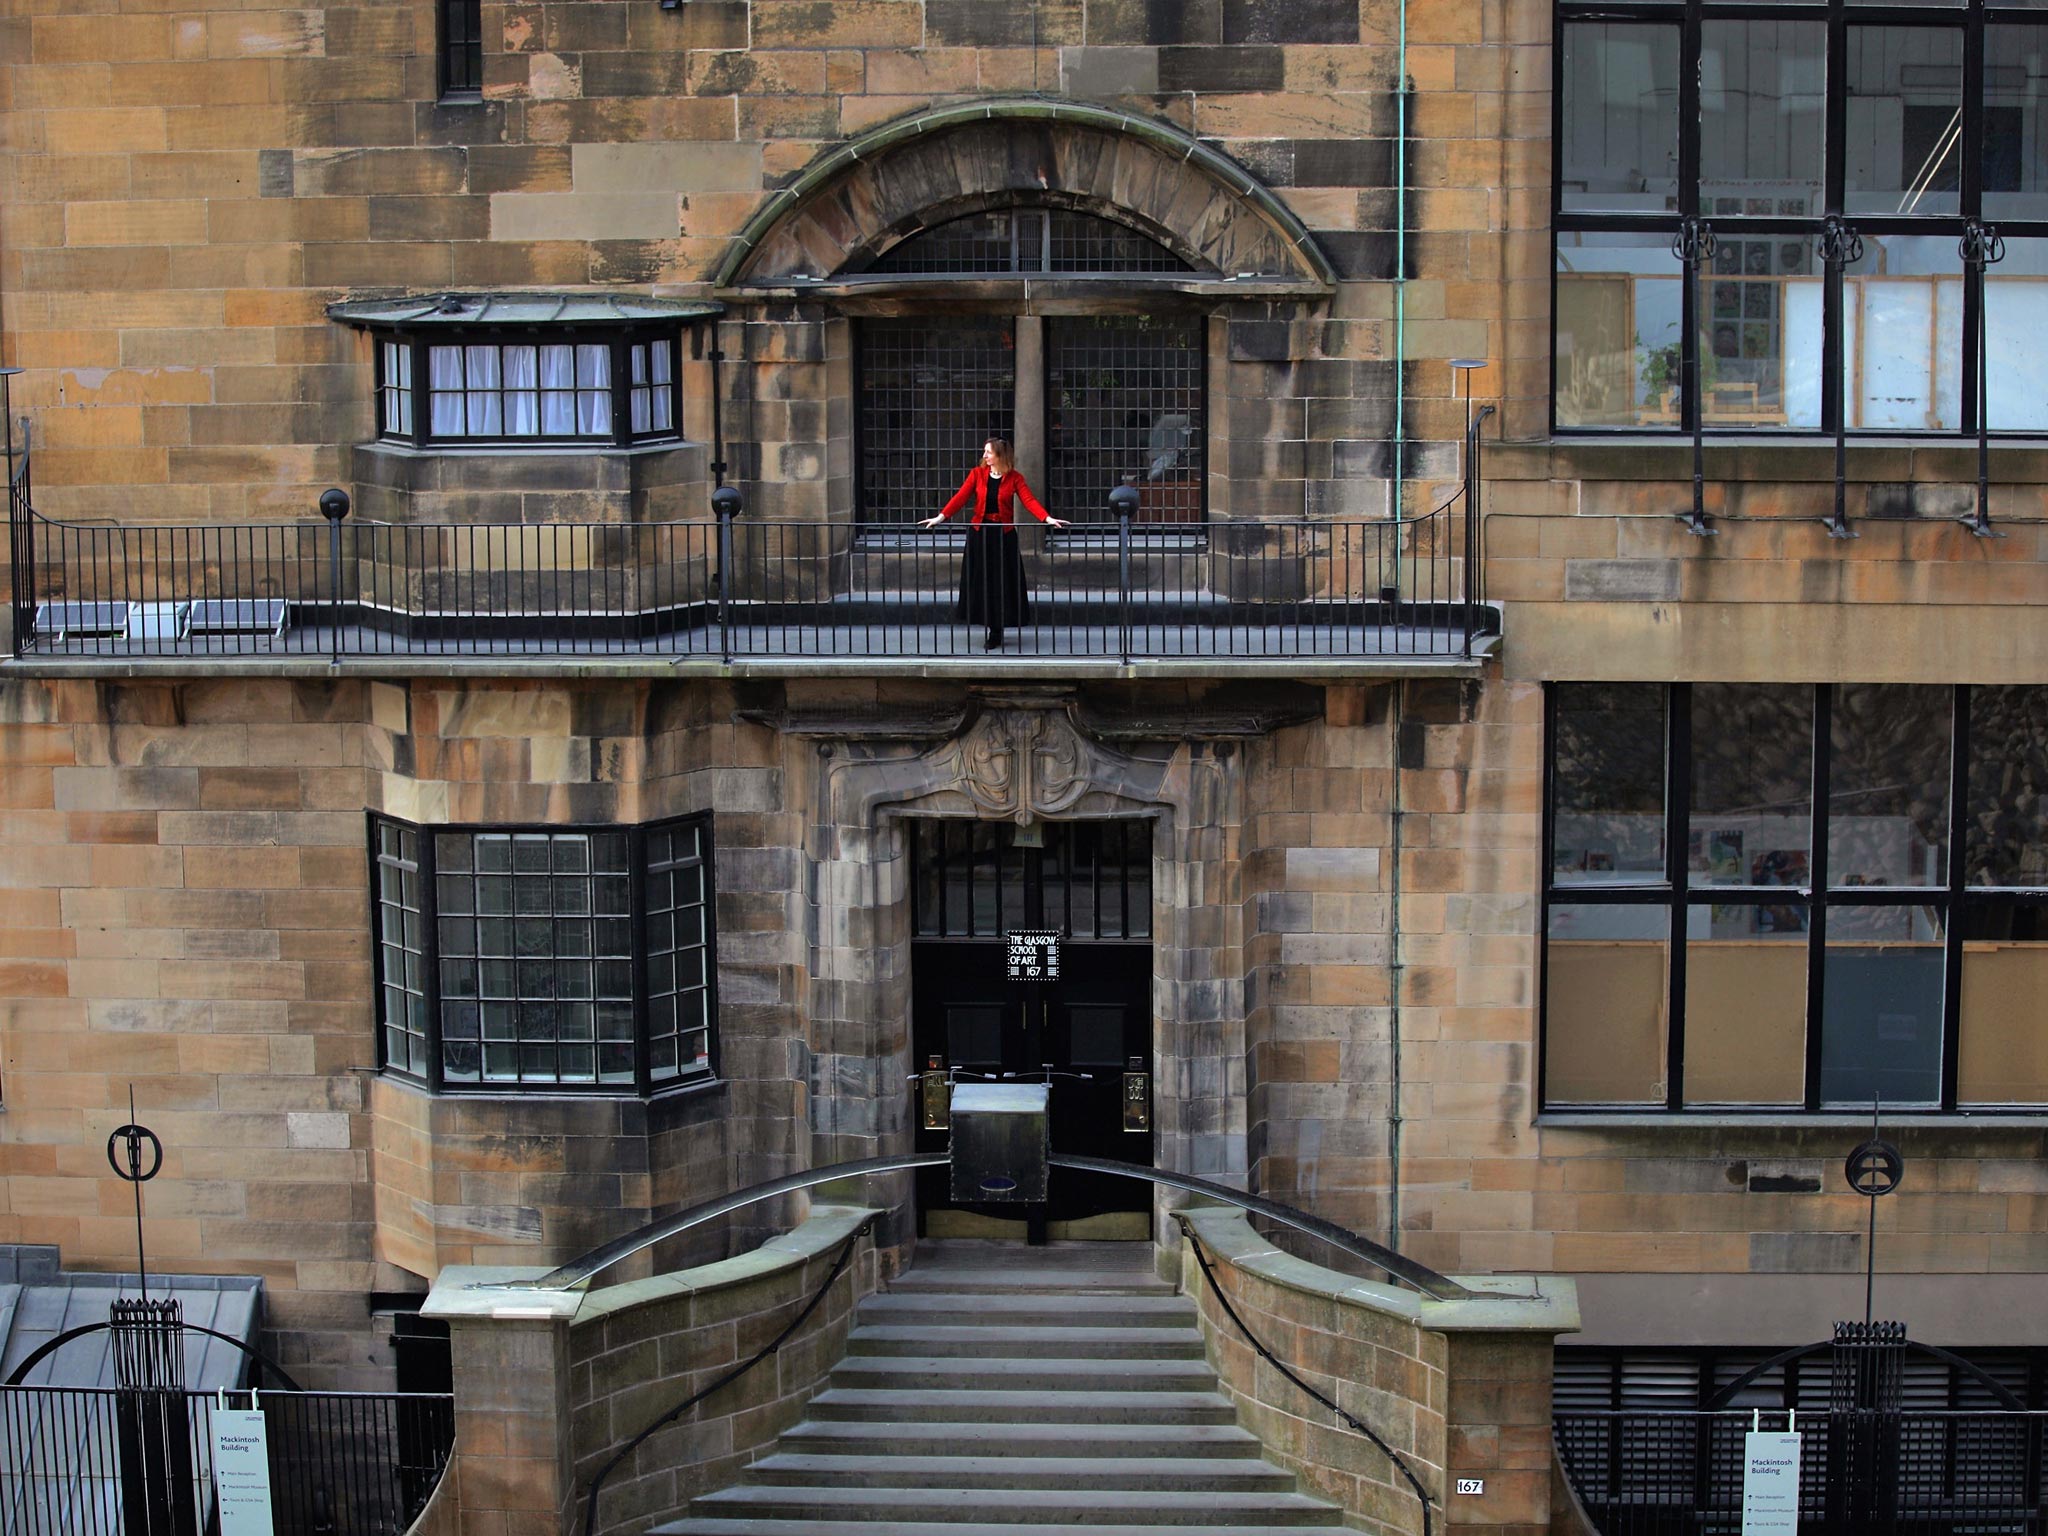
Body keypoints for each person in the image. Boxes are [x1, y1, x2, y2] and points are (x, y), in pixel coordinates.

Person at [921, 438, 1067, 649]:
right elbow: (960, 497)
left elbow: (1029, 500)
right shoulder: (977, 474)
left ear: (1000, 455)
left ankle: (997, 629)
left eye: (989, 453)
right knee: (982, 580)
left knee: (1001, 581)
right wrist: (940, 518)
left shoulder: (1015, 478)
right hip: (980, 534)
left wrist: (1047, 518)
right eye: (985, 452)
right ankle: (987, 622)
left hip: (1003, 536)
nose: (985, 456)